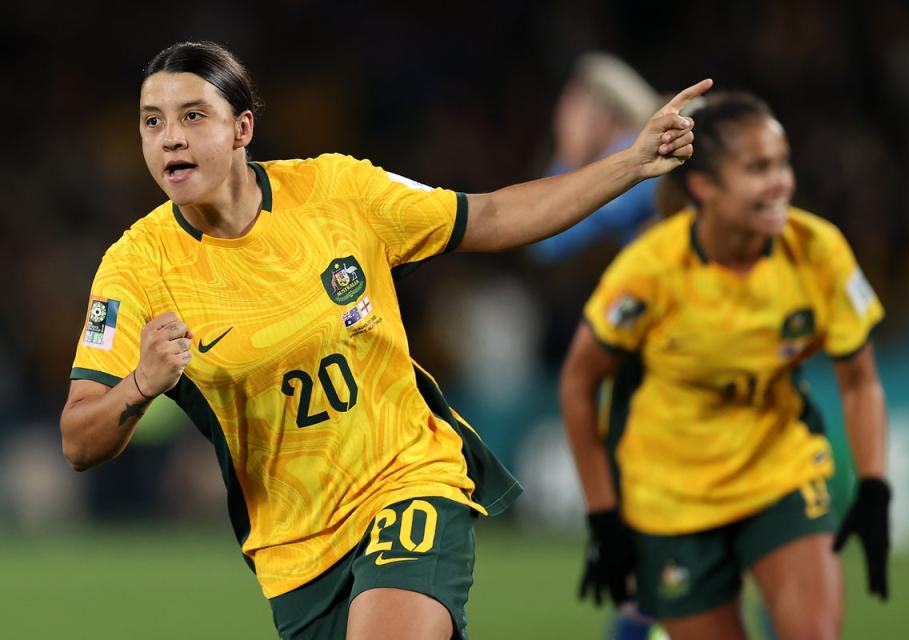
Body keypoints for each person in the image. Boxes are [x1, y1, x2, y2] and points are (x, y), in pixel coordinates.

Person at [59, 40, 711, 640]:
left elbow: (490, 214)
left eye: (194, 116)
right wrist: (141, 384)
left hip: (408, 481)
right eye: (152, 121)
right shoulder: (136, 268)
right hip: (295, 547)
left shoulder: (337, 191)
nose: (170, 138)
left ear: (242, 129)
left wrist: (629, 163)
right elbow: (79, 438)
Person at [561, 92, 890, 640]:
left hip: (779, 476)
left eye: (783, 163)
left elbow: (860, 382)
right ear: (702, 186)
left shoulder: (819, 251)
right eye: (758, 168)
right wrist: (603, 518)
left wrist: (875, 487)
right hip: (671, 500)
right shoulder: (649, 271)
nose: (781, 182)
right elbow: (578, 381)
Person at [530, 52, 663, 264]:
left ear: (600, 115)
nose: (563, 125)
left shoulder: (638, 159)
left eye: (572, 113)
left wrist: (568, 157)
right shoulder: (634, 154)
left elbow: (548, 243)